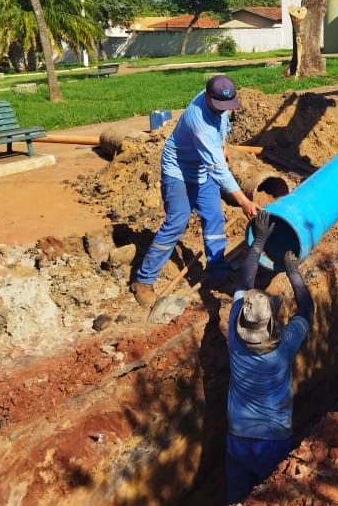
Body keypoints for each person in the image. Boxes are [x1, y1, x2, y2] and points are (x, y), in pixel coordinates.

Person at [130, 74, 259, 306]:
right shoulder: (198, 121)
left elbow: (222, 125)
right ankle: (143, 280)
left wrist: (222, 146)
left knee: (214, 218)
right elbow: (219, 171)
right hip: (178, 171)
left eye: (226, 106)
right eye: (219, 106)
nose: (223, 110)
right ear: (207, 96)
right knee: (176, 223)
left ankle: (217, 271)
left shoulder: (220, 102)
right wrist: (244, 202)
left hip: (202, 169)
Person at [226, 211, 313, 505]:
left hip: (237, 435)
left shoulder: (235, 337)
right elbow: (306, 312)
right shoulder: (282, 348)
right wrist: (293, 272)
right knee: (269, 495)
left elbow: (244, 281)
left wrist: (259, 241)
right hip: (272, 441)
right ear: (271, 324)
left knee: (237, 496)